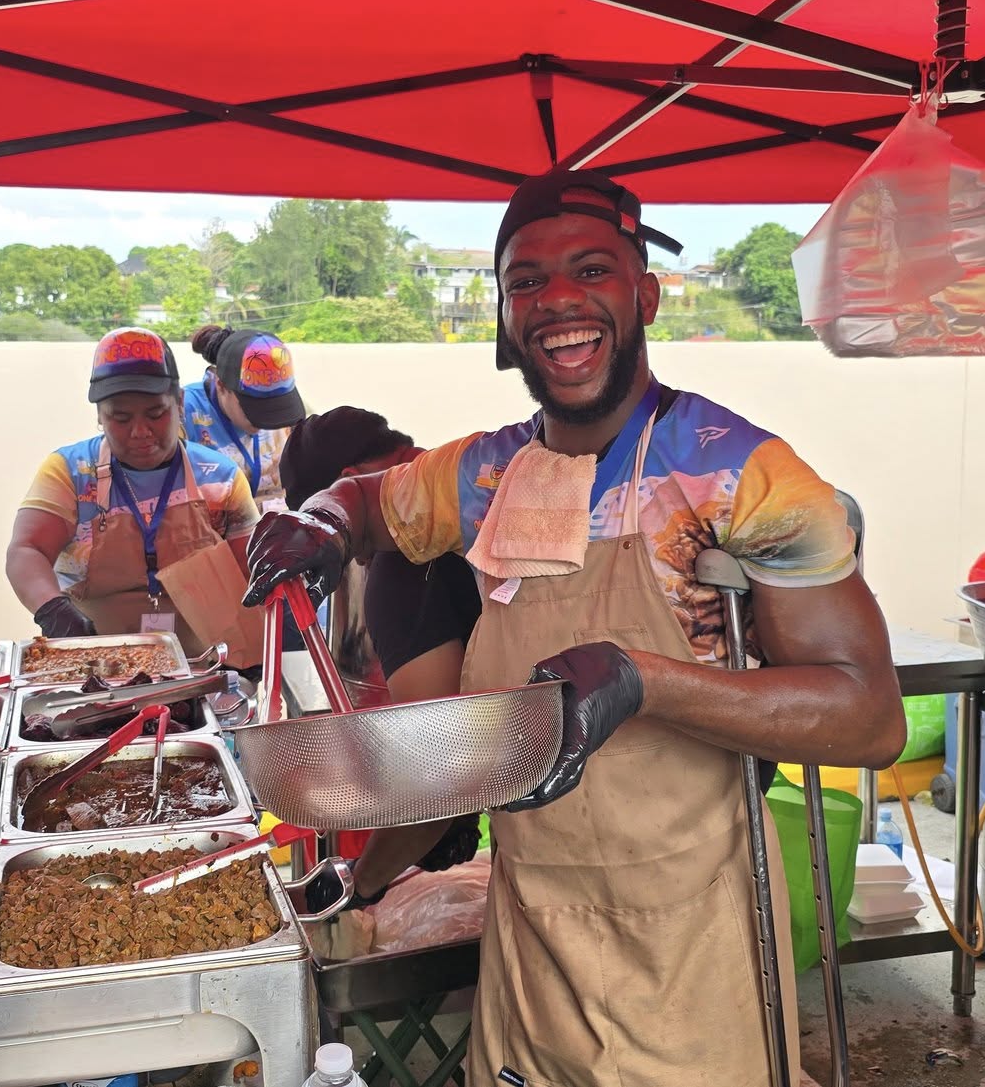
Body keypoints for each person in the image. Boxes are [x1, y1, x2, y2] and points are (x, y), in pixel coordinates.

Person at [244, 171, 906, 1085]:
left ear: (646, 295)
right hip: (530, 945)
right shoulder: (485, 475)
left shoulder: (745, 477)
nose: (557, 298)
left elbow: (869, 715)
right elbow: (366, 501)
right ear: (505, 315)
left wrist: (645, 681)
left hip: (687, 947)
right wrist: (319, 518)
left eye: (590, 270)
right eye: (526, 280)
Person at [278, 408, 483, 906]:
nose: (353, 558)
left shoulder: (402, 561)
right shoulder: (470, 482)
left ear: (351, 487)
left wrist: (360, 883)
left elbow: (435, 776)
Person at [7, 328, 260, 654]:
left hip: (202, 661)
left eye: (156, 414)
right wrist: (53, 611)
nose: (140, 431)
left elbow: (251, 571)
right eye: (121, 418)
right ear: (99, 416)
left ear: (180, 403)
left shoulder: (221, 478)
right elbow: (27, 550)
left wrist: (254, 645)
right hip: (93, 658)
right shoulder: (69, 472)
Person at [180, 324, 308, 510]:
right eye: (254, 405)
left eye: (276, 405)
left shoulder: (288, 415)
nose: (267, 419)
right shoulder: (185, 413)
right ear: (221, 385)